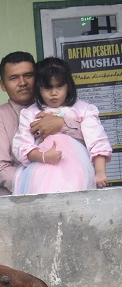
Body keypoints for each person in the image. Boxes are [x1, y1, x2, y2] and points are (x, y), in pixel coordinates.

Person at [0, 52, 80, 195]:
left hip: (71, 192)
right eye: (14, 78)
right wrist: (41, 184)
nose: (22, 83)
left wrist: (61, 123)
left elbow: (90, 140)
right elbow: (0, 169)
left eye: (28, 75)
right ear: (2, 84)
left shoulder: (65, 108)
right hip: (20, 203)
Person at [11, 57, 111, 194]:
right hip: (40, 172)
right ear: (38, 89)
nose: (54, 93)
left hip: (77, 171)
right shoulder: (30, 113)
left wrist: (100, 172)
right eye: (47, 87)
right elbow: (22, 145)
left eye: (59, 86)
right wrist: (43, 156)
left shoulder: (83, 110)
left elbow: (96, 140)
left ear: (68, 86)